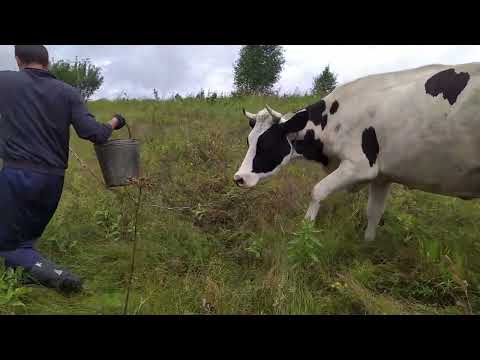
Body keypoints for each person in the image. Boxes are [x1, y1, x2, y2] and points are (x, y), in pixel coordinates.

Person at [0, 45, 126, 294]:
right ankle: (23, 273)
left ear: (18, 60)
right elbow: (96, 134)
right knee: (23, 238)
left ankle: (62, 278)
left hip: (18, 176)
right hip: (52, 182)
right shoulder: (67, 92)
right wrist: (116, 121)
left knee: (10, 245)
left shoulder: (5, 81)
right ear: (48, 62)